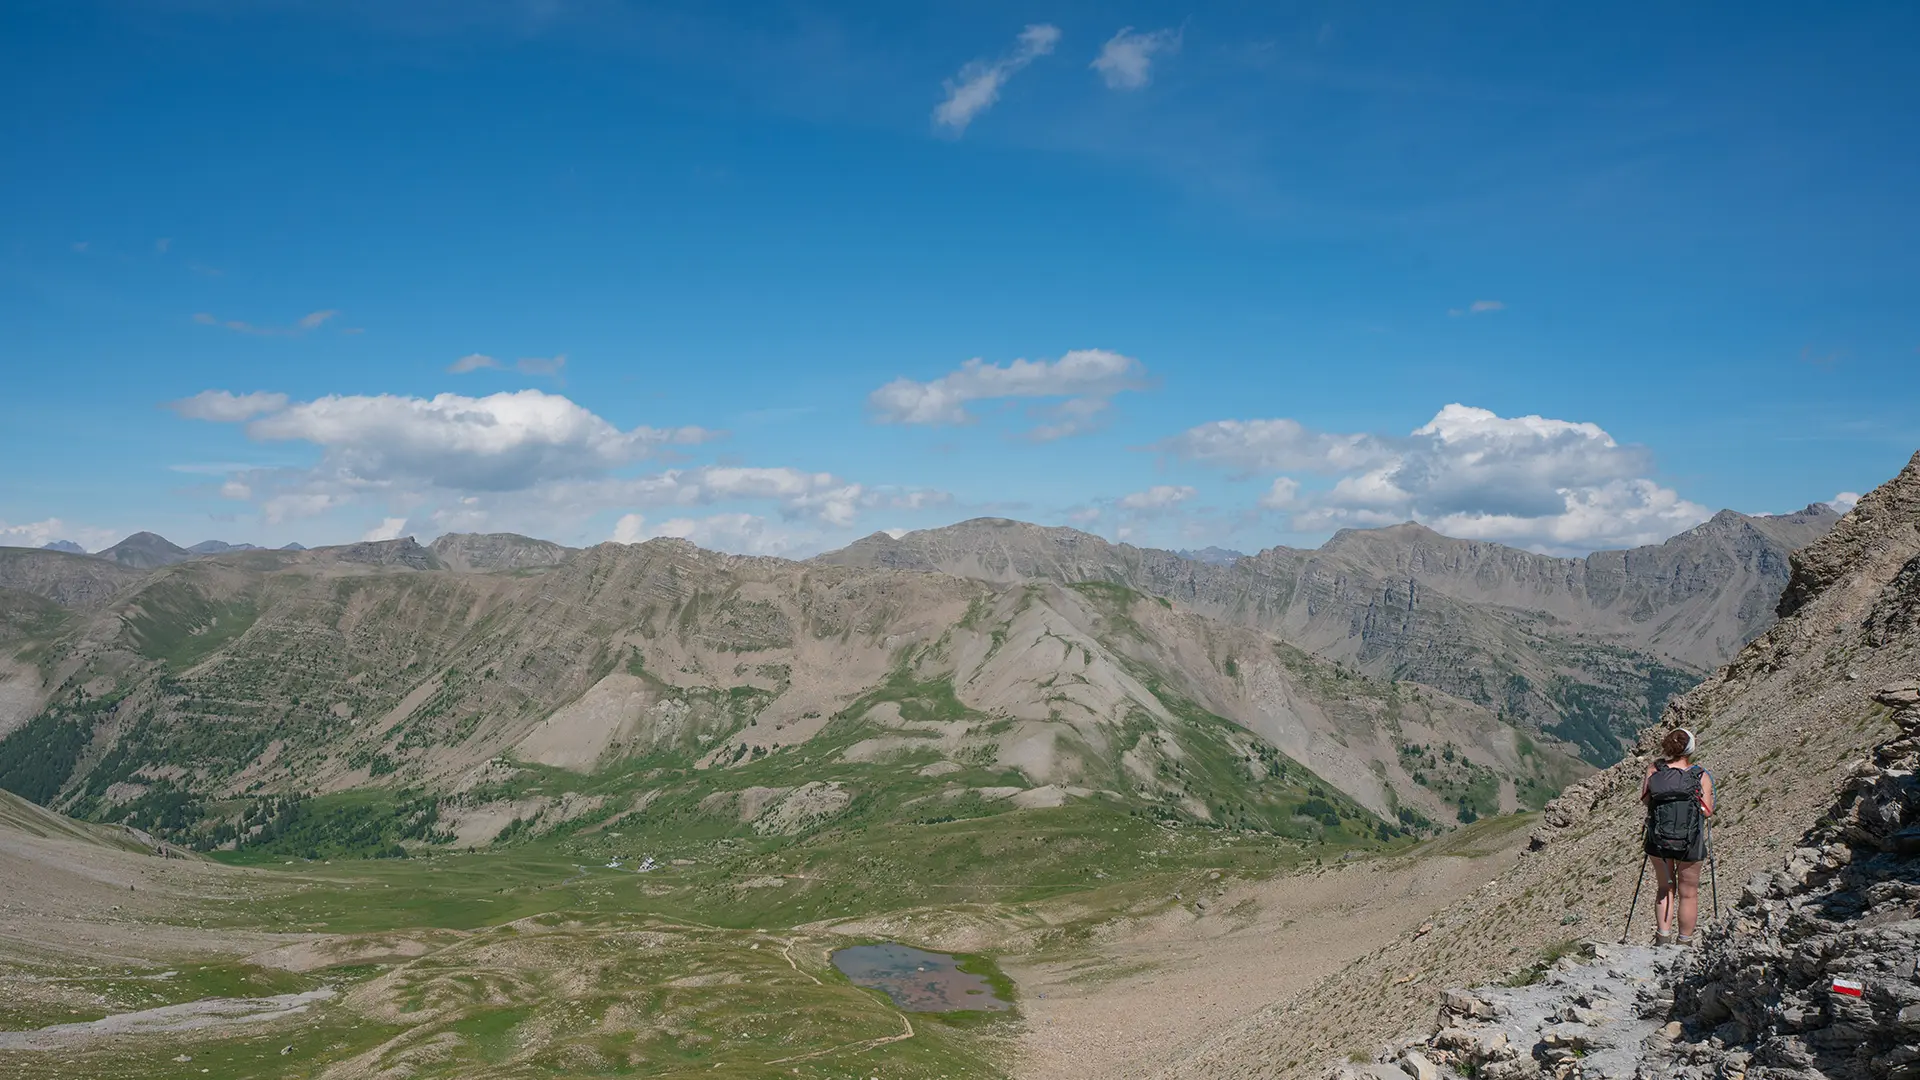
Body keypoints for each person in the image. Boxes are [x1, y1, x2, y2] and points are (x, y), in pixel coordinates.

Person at [1641, 727, 1715, 945]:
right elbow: (1707, 810)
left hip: (1659, 840)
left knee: (1665, 887)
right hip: (1690, 841)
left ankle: (1662, 938)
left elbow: (1646, 800)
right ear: (1690, 748)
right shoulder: (1700, 774)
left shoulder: (1654, 770)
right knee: (1689, 892)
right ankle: (1684, 943)